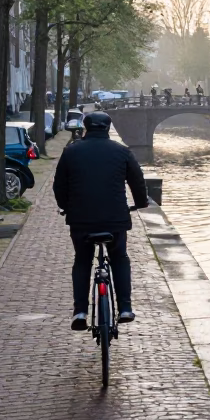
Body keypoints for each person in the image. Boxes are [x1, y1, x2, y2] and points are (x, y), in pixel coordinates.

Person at [54, 111, 149, 330]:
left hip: (81, 221)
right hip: (115, 220)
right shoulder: (122, 151)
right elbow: (137, 181)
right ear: (108, 128)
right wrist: (141, 203)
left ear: (85, 127)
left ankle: (79, 311)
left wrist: (66, 207)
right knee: (120, 257)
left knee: (82, 261)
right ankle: (125, 307)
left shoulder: (71, 151)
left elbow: (59, 185)